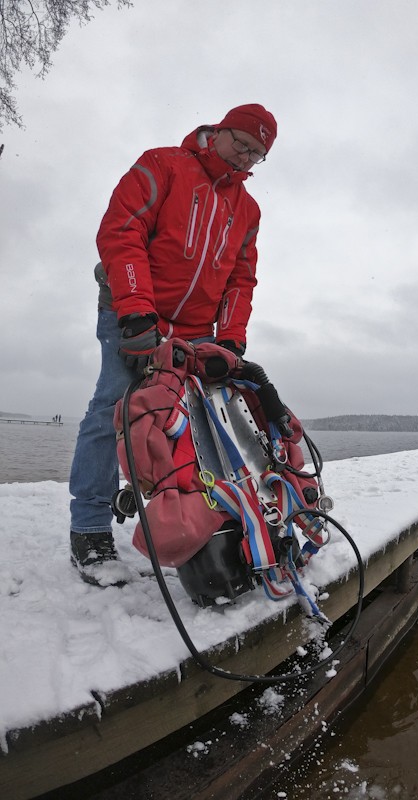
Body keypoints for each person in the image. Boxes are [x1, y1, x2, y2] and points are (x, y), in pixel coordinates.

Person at [69, 104, 277, 586]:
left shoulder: (248, 210)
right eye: (241, 144)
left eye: (257, 154)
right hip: (132, 309)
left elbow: (240, 281)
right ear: (219, 131)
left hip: (198, 329)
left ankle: (203, 522)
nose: (246, 158)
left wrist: (231, 338)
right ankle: (90, 529)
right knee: (115, 408)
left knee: (200, 427)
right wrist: (137, 312)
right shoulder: (162, 165)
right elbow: (121, 232)